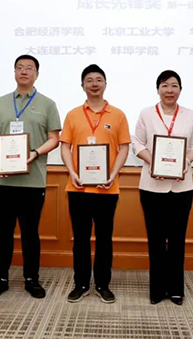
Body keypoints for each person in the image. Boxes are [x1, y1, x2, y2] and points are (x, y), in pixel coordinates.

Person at [0, 54, 61, 299]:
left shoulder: (48, 104)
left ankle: (32, 279)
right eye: (19, 67)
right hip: (3, 180)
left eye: (29, 68)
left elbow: (54, 138)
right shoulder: (1, 103)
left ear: (37, 74)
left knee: (30, 233)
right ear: (14, 72)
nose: (24, 71)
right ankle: (0, 279)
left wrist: (35, 153)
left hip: (33, 181)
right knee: (3, 234)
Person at [60, 64, 131, 304]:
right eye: (89, 80)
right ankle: (80, 284)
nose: (94, 84)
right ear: (82, 86)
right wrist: (72, 173)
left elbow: (124, 148)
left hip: (107, 188)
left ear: (105, 84)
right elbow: (65, 147)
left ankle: (102, 284)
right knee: (80, 239)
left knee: (104, 239)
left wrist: (113, 174)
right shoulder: (72, 115)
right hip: (78, 187)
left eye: (98, 79)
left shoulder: (118, 115)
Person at [132, 70, 193, 305]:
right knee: (155, 239)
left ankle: (175, 289)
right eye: (164, 85)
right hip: (151, 186)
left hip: (182, 188)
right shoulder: (146, 114)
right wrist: (153, 162)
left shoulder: (190, 115)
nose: (169, 90)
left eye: (174, 85)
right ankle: (156, 289)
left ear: (180, 90)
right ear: (158, 89)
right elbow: (137, 143)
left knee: (177, 240)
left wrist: (185, 162)